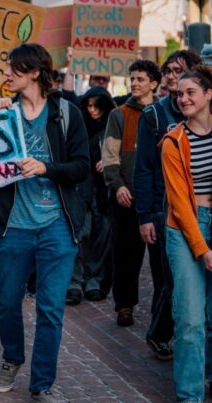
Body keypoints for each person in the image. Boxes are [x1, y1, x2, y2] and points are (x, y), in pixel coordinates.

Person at [0, 44, 89, 401]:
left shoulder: (66, 113)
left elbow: (80, 166)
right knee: (8, 300)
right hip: (13, 225)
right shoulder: (3, 114)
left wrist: (47, 167)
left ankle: (42, 382)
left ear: (34, 72)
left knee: (50, 308)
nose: (7, 74)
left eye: (14, 68)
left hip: (57, 227)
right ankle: (12, 358)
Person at [134, 49, 201, 361]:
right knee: (171, 278)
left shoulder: (201, 111)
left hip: (199, 207)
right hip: (165, 208)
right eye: (170, 71)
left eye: (180, 70)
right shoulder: (154, 115)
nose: (173, 76)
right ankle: (161, 333)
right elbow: (143, 168)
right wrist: (144, 215)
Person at [161, 65, 212, 402]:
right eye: (179, 93)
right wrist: (203, 249)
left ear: (209, 94)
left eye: (191, 92)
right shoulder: (173, 142)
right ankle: (189, 394)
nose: (183, 98)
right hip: (184, 230)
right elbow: (179, 203)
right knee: (191, 318)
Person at [101, 60, 161, 327]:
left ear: (153, 83)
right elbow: (110, 156)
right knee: (125, 254)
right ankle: (124, 305)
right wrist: (118, 185)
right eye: (132, 79)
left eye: (140, 79)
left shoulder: (163, 112)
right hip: (127, 197)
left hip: (158, 197)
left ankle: (162, 314)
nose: (135, 83)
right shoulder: (119, 115)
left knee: (160, 260)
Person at [66, 86, 116, 305]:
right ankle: (76, 281)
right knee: (80, 234)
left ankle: (93, 280)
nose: (93, 110)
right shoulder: (79, 127)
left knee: (101, 238)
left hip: (104, 192)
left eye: (98, 105)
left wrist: (109, 161)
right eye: (89, 105)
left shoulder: (112, 127)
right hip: (81, 190)